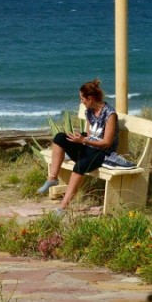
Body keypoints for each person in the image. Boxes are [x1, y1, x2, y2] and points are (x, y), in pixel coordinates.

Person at [37, 79, 124, 215]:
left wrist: (84, 140)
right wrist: (81, 138)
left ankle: (63, 208)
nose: (81, 101)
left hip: (103, 153)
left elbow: (106, 143)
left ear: (90, 99)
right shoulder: (89, 111)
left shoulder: (110, 114)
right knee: (60, 137)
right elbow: (89, 135)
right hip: (89, 146)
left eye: (82, 99)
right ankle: (53, 178)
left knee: (80, 165)